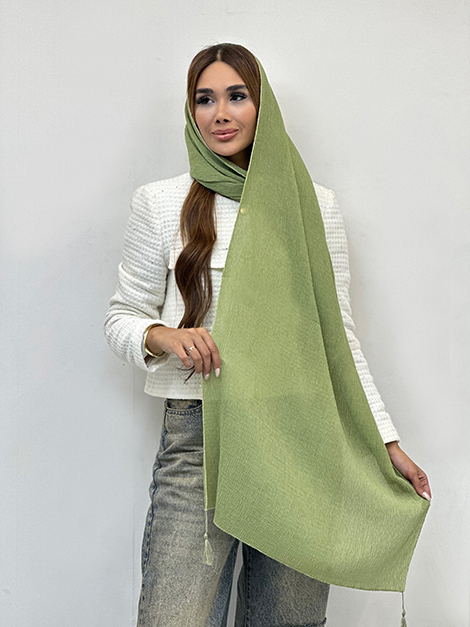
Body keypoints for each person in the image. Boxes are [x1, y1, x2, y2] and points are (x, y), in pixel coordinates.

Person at [104, 43, 431, 627]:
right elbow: (121, 316)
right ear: (190, 111)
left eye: (237, 96)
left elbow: (338, 339)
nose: (220, 114)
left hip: (298, 439)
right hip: (200, 439)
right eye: (204, 99)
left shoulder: (314, 206)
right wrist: (164, 335)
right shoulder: (161, 203)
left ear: (263, 106)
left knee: (288, 620)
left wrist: (384, 441)